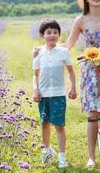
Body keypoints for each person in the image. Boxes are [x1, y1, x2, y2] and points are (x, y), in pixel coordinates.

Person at [33, 0, 100, 167]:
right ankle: (91, 157)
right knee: (93, 112)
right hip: (91, 69)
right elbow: (68, 45)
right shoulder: (80, 20)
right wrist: (42, 49)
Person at [32, 19, 77, 169]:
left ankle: (62, 157)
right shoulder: (38, 53)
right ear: (42, 35)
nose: (52, 35)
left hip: (59, 94)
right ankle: (46, 152)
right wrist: (35, 89)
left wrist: (73, 87)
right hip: (43, 94)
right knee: (44, 124)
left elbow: (70, 71)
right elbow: (36, 74)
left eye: (55, 33)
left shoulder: (64, 52)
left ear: (59, 35)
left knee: (59, 125)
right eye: (48, 33)